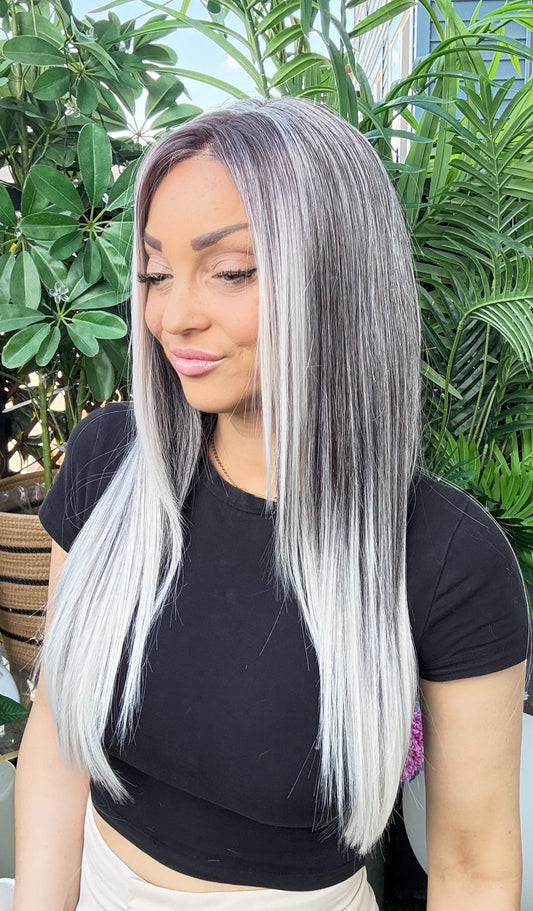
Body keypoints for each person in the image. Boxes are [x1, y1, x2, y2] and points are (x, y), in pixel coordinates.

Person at [12, 97, 528, 911]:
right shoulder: (110, 464)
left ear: (335, 277)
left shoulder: (442, 558)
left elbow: (471, 864)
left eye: (229, 271)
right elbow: (57, 731)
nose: (171, 314)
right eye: (153, 271)